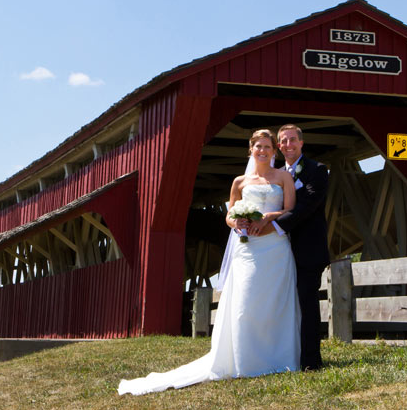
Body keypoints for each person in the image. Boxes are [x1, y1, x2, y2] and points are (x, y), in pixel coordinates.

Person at [118, 129, 301, 395]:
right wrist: (236, 221)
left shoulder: (283, 177)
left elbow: (290, 210)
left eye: (267, 146)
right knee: (246, 303)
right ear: (250, 150)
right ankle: (246, 361)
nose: (263, 151)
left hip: (275, 248)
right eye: (258, 146)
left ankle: (279, 359)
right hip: (248, 249)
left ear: (274, 151)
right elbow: (229, 215)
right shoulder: (239, 181)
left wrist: (269, 216)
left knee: (275, 302)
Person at [271, 124, 330, 370]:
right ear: (278, 146)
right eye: (283, 141)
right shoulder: (274, 174)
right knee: (281, 304)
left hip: (308, 249)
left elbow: (306, 206)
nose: (288, 145)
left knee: (306, 304)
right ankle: (283, 357)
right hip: (277, 252)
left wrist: (270, 226)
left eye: (292, 140)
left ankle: (310, 361)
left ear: (301, 143)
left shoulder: (317, 170)